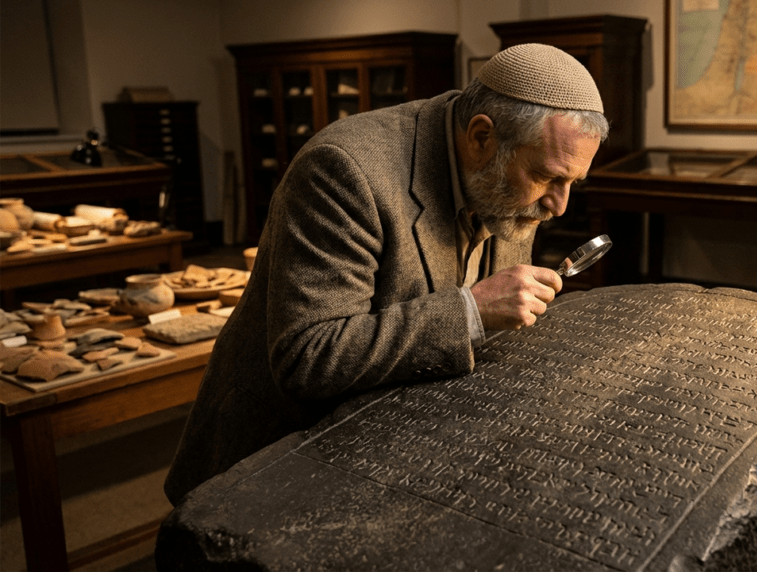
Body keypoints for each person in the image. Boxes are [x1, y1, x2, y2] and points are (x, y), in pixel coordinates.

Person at [163, 43, 609, 506]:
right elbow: (307, 356)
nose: (559, 205)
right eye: (547, 178)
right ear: (481, 137)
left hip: (389, 449)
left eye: (573, 183)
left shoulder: (509, 169)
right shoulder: (345, 169)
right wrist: (470, 312)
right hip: (273, 464)